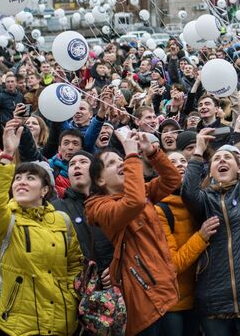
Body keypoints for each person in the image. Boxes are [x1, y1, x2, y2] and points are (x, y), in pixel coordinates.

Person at [181, 71, 240, 336]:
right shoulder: (205, 199)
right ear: (209, 170)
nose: (222, 161)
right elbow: (187, 192)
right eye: (217, 159)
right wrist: (198, 152)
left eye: (229, 158)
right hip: (214, 297)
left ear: (239, 167)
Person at [0, 119, 83, 336]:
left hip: (61, 322)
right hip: (19, 325)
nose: (21, 182)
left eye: (30, 178)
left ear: (45, 190)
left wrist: (70, 295)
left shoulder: (62, 220)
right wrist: (7, 155)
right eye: (17, 178)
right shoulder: (7, 220)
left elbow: (74, 264)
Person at [86, 131, 182, 336]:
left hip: (165, 289)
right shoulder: (100, 208)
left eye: (121, 159)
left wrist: (152, 152)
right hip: (142, 300)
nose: (121, 164)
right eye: (112, 163)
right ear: (100, 180)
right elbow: (134, 202)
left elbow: (172, 179)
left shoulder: (141, 191)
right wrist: (131, 155)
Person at [156, 151, 218, 336]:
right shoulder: (160, 210)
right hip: (174, 304)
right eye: (172, 162)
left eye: (183, 161)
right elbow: (172, 265)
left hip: (203, 299)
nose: (180, 164)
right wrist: (201, 236)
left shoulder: (206, 201)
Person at [52, 150, 114, 273]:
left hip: (119, 281)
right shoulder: (56, 208)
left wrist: (117, 266)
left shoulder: (112, 201)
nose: (77, 165)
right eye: (72, 164)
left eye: (83, 162)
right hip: (77, 286)